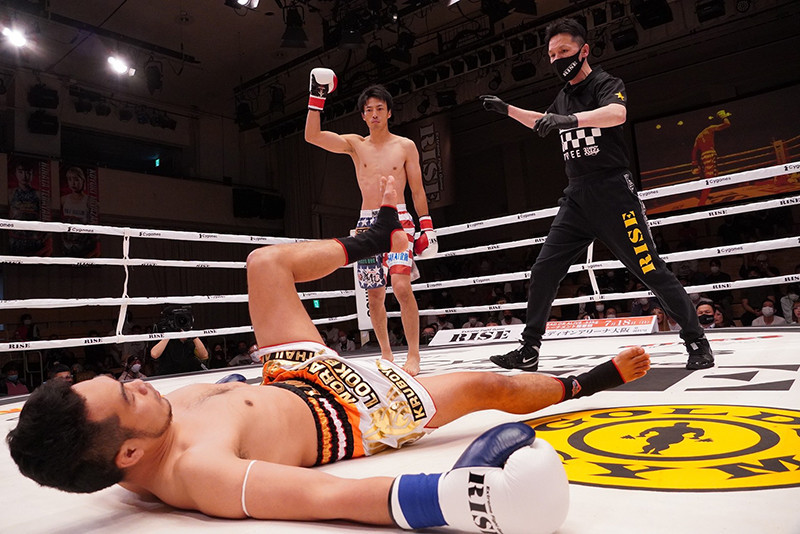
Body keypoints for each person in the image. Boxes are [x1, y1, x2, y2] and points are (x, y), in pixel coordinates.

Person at [6, 177, 651, 532]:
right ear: (127, 454)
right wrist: (454, 499)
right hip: (351, 413)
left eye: (124, 381)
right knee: (485, 385)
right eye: (129, 395)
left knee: (264, 264)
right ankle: (585, 382)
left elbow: (218, 402)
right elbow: (327, 499)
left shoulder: (142, 434)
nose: (141, 383)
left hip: (288, 375)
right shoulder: (200, 473)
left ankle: (370, 239)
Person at [480, 17, 713, 371]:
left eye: (564, 51)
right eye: (552, 54)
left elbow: (616, 114)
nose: (557, 59)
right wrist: (506, 109)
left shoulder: (606, 83)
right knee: (544, 270)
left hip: (613, 193)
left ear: (584, 50)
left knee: (649, 268)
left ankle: (696, 340)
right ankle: (529, 350)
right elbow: (543, 121)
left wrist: (570, 120)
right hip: (576, 198)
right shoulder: (563, 97)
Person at [305, 78, 437, 376]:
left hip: (399, 219)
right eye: (369, 109)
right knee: (374, 294)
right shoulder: (355, 145)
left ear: (389, 112)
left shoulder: (405, 146)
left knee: (401, 287)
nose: (374, 114)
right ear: (363, 115)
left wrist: (427, 227)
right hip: (367, 223)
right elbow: (312, 136)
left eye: (379, 108)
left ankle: (414, 355)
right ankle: (387, 354)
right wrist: (316, 98)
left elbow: (417, 189)